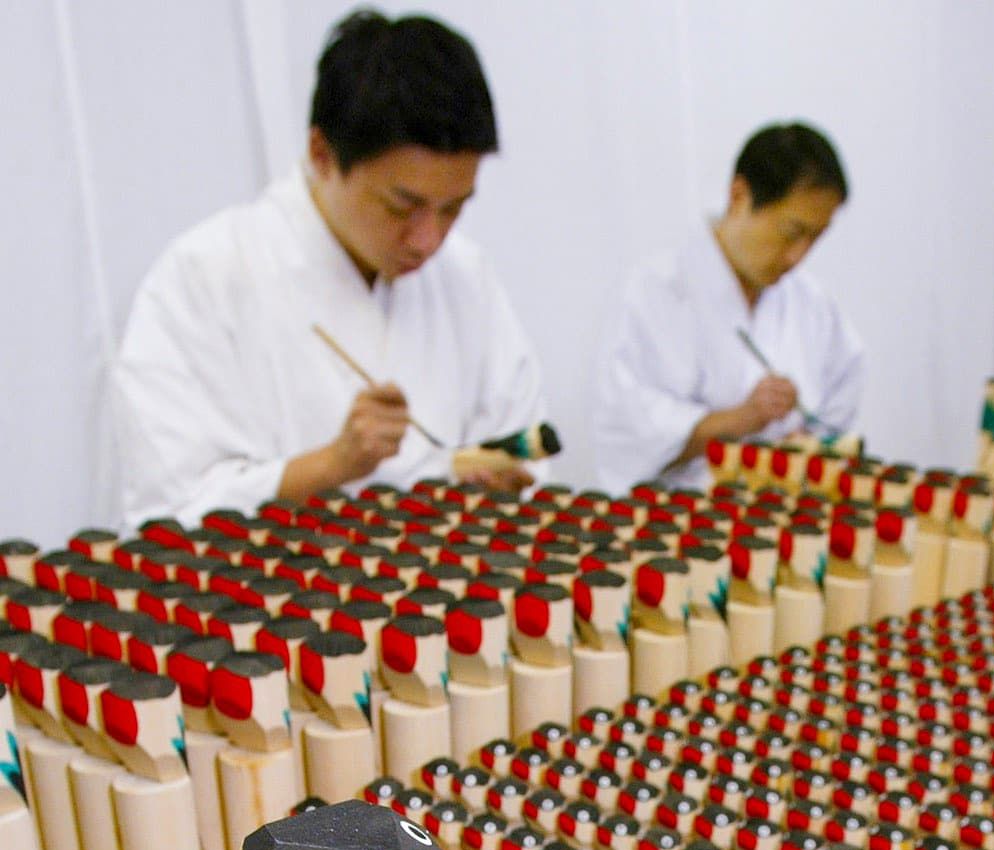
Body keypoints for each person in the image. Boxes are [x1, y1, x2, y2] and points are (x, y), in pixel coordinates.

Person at [115, 10, 544, 527]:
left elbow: (526, 451)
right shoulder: (206, 276)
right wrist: (332, 465)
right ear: (322, 154)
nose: (428, 240)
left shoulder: (466, 278)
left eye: (453, 208)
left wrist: (500, 478)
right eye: (401, 206)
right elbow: (167, 514)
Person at [593, 122, 863, 492]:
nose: (798, 255)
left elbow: (838, 423)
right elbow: (627, 438)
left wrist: (808, 445)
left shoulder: (813, 304)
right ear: (739, 196)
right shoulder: (656, 291)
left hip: (792, 523)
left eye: (815, 238)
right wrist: (742, 418)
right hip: (682, 526)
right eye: (792, 232)